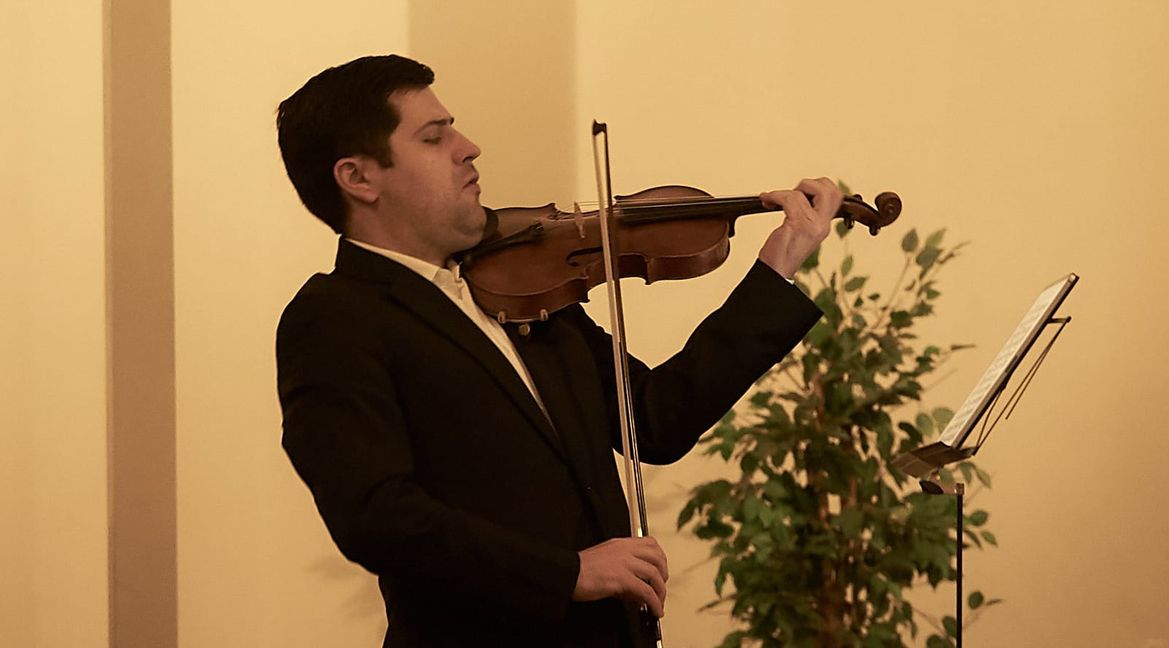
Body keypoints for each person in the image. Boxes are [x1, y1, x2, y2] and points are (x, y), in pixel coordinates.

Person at [275, 54, 841, 647]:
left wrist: (778, 267)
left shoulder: (521, 287)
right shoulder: (337, 317)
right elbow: (377, 517)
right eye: (434, 137)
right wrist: (568, 572)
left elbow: (656, 420)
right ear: (358, 178)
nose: (468, 148)